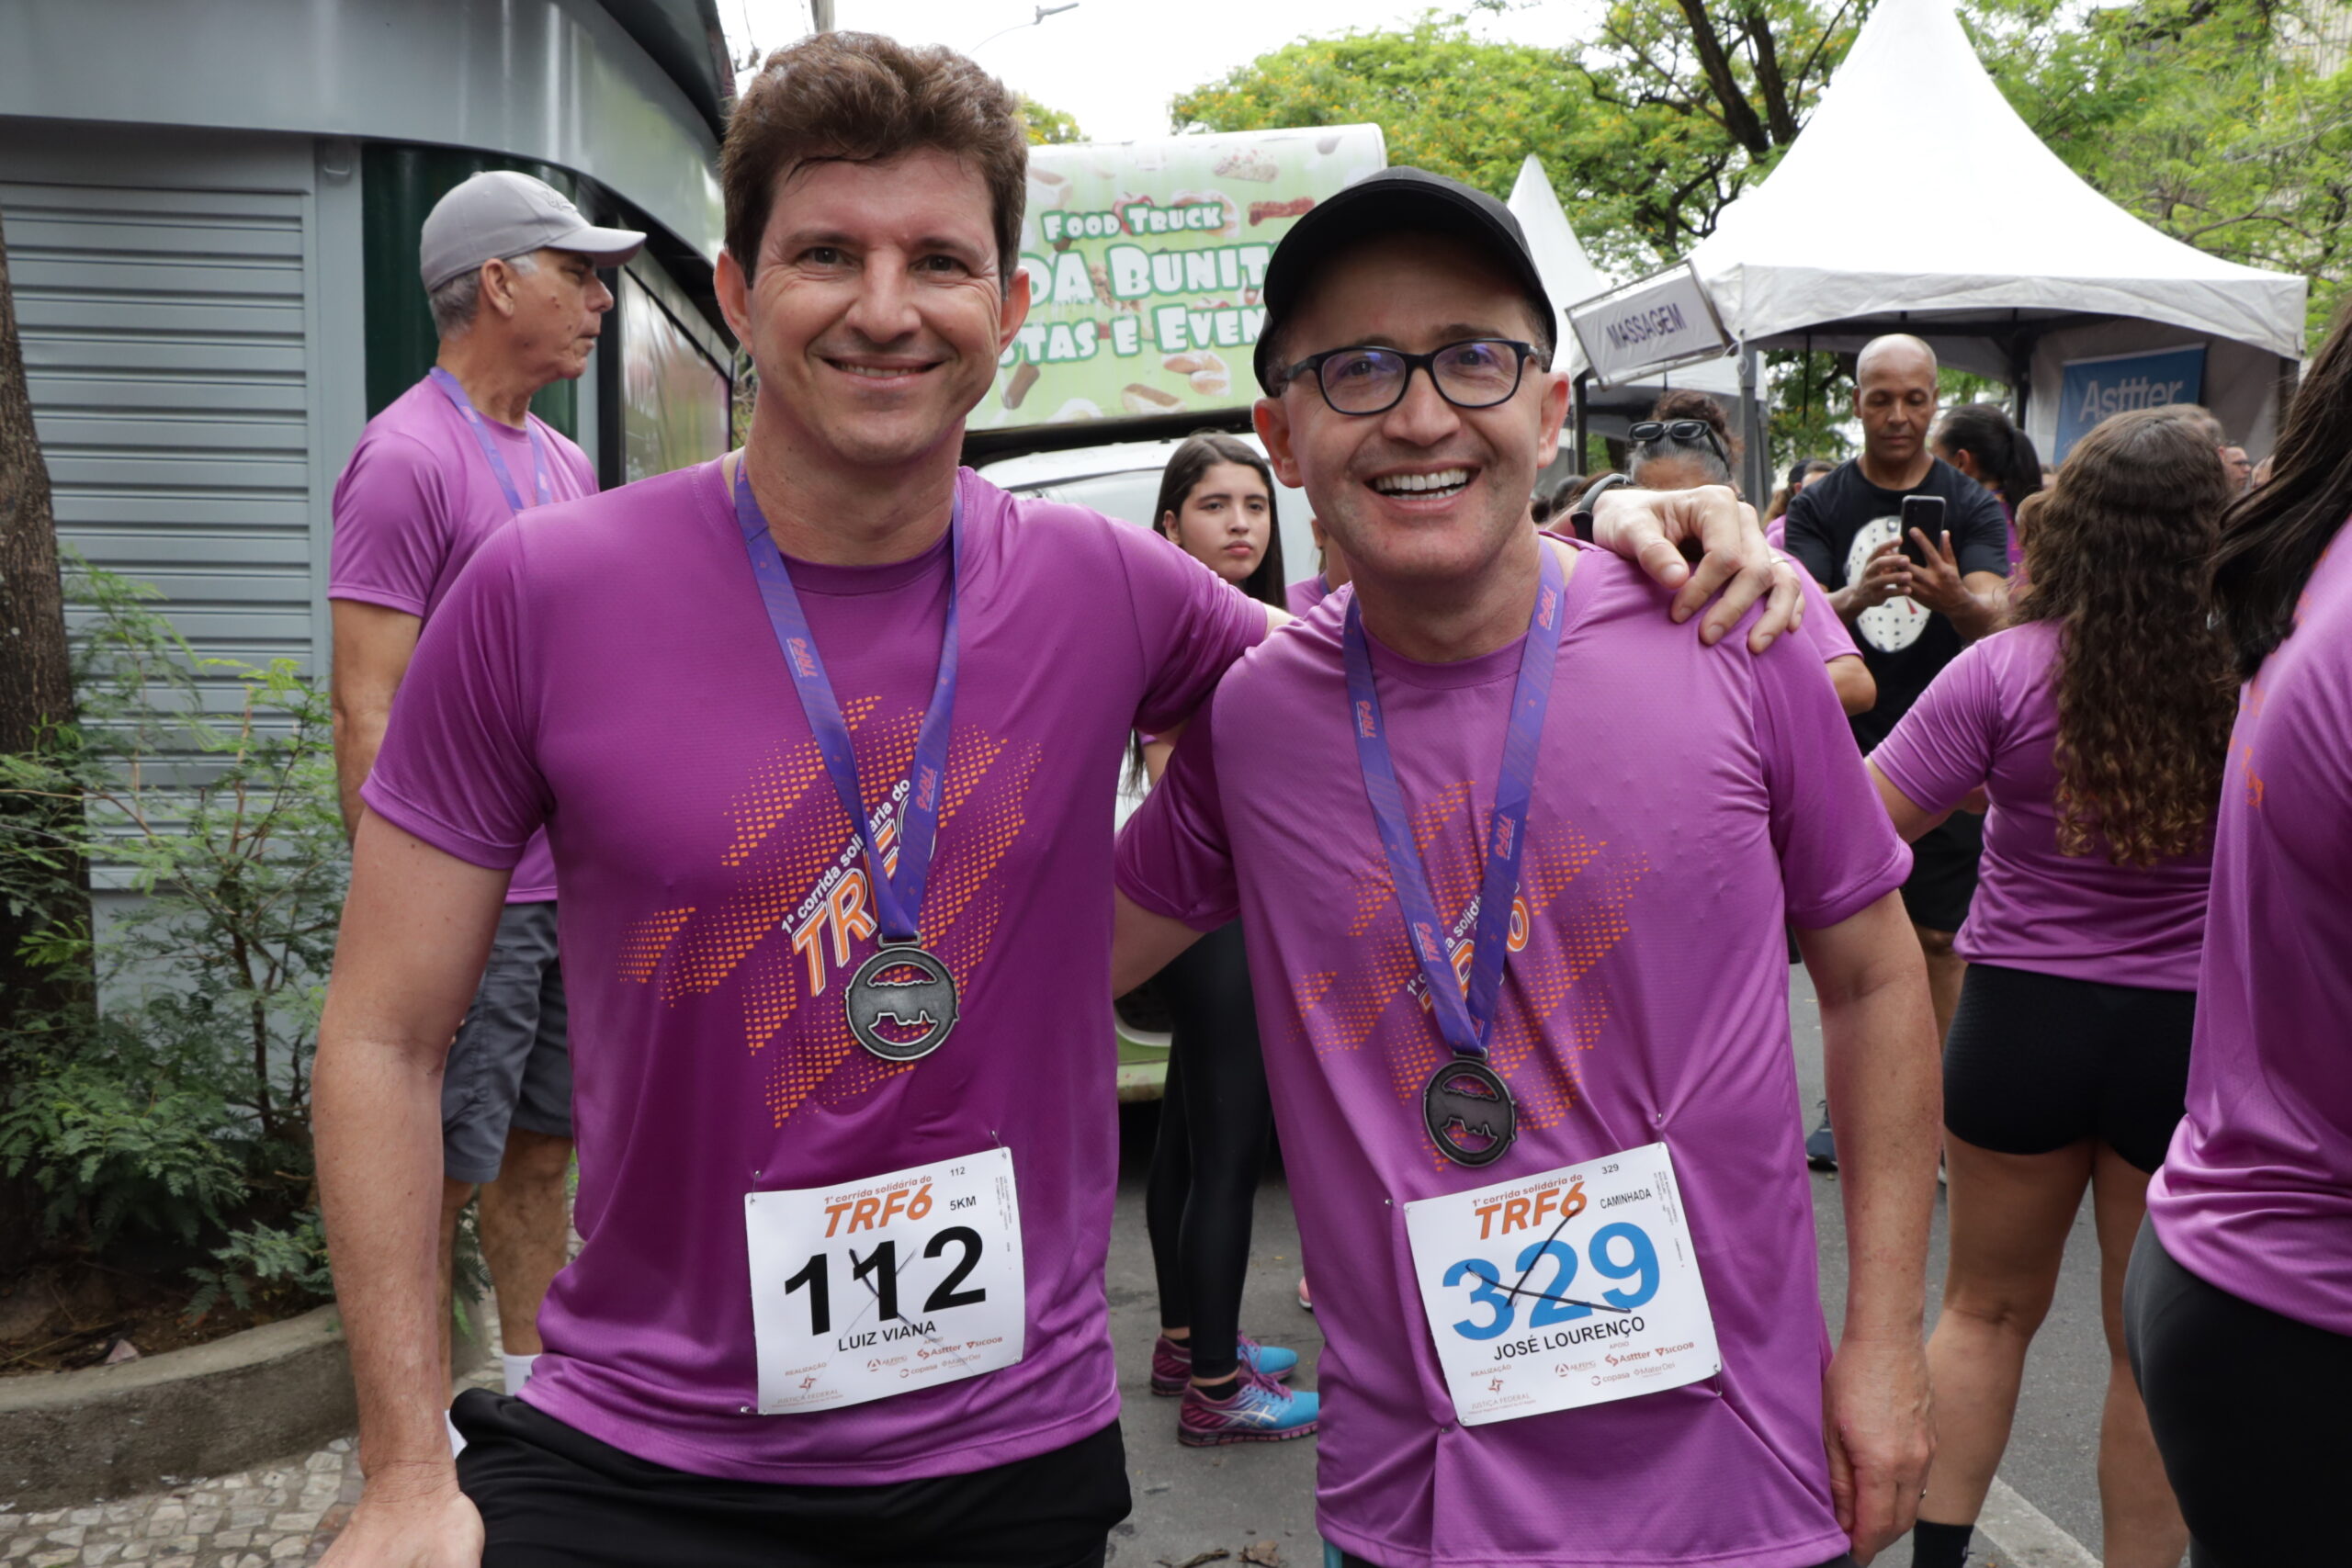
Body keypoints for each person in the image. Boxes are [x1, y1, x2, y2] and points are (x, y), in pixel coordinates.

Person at [311, 33, 1807, 1568]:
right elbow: (381, 1034)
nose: (885, 307)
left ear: (1006, 313)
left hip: (1009, 1456)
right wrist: (403, 1471)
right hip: (645, 1437)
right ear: (741, 292)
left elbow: (1417, 659)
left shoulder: (1112, 592)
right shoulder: (543, 597)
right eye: (829, 252)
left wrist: (1616, 521)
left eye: (940, 261)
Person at [1114, 166, 1939, 1568]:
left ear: (1549, 407)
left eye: (1472, 356)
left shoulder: (1729, 629)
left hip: (1738, 1480)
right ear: (1283, 436)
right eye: (1357, 367)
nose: (1422, 411)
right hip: (1413, 1502)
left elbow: (1872, 979)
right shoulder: (1256, 720)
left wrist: (1883, 1344)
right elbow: (1038, 968)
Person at [1867, 408, 2234, 1568]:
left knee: (1981, 1310)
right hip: (2184, 1036)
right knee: (2144, 1349)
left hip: (2018, 1020)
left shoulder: (2001, 669)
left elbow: (1864, 830)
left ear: (2062, 527)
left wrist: (2007, 800)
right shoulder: (2256, 673)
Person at [326, 170, 644, 1418]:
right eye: (578, 273)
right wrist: (408, 919)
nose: (603, 301)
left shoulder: (565, 461)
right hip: (473, 896)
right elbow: (367, 704)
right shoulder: (403, 457)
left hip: (567, 890)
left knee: (543, 1149)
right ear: (497, 281)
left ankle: (528, 1401)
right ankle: (414, 1435)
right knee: (432, 1166)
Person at [2125, 299, 2352, 1568]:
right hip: (2293, 1286)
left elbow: (1867, 836)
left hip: (2226, 1207)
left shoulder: (2315, 572)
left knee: (1995, 1309)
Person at [1783, 334, 2010, 1168]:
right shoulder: (1819, 504)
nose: (1899, 415)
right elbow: (1793, 609)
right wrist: (1854, 594)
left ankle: (1941, 1116)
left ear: (1935, 398)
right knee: (1846, 935)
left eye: (1915, 398)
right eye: (1882, 398)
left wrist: (1959, 597)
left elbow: (1995, 604)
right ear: (1856, 403)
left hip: (1950, 752)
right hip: (1843, 748)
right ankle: (1853, 1105)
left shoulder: (1972, 503)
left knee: (1943, 939)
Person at [1136, 434, 1317, 1444]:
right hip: (1216, 911)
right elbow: (1175, 782)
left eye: (1254, 503)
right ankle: (1216, 1387)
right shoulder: (1191, 631)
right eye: (1213, 504)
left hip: (1213, 913)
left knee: (1185, 1137)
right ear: (1170, 524)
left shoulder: (1249, 626)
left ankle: (1181, 1339)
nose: (1241, 521)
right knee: (1228, 1150)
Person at [1624, 395, 1873, 718]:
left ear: (1733, 495)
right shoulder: (1615, 572)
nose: (1674, 524)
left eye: (1695, 507)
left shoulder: (1772, 571)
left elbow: (1855, 685)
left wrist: (1727, 700)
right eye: (1655, 508)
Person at [1931, 402, 2041, 573]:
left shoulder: (1961, 523)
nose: (1930, 471)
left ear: (1961, 462)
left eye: (1935, 461)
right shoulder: (2034, 517)